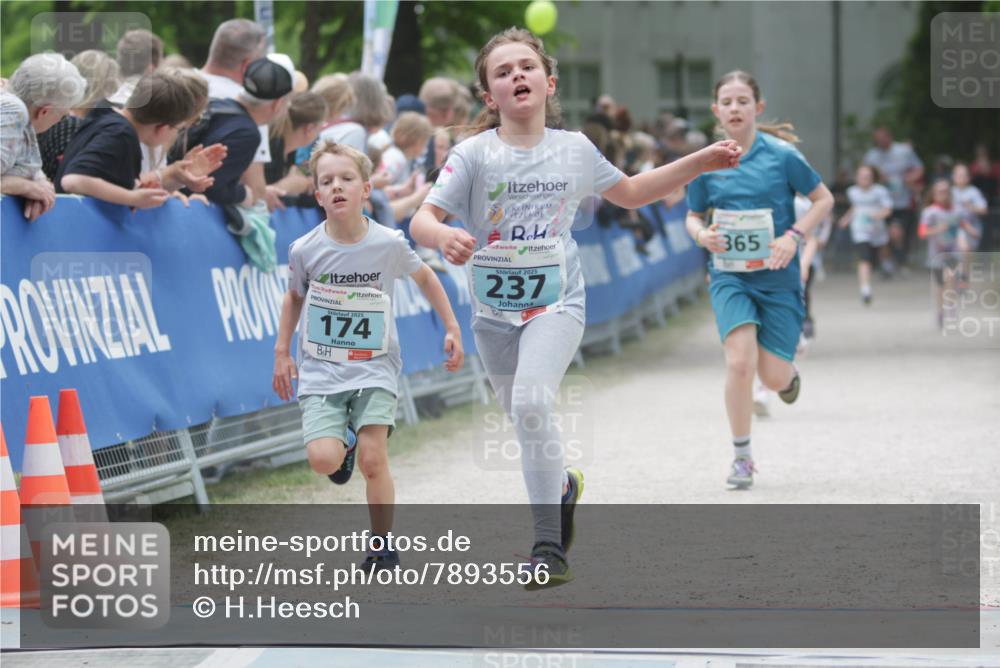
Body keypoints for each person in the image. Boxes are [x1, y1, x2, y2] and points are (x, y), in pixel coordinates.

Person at [410, 27, 740, 589]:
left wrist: (699, 162)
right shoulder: (472, 154)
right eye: (503, 71)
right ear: (488, 96)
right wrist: (442, 239)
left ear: (548, 81)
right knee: (524, 417)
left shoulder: (575, 149)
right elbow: (422, 218)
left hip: (557, 301)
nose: (517, 75)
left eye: (526, 67)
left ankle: (546, 546)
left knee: (534, 402)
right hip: (493, 312)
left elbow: (632, 193)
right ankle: (561, 487)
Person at [272, 141, 464, 571]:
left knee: (374, 460)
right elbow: (293, 297)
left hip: (375, 364)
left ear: (366, 189)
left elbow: (426, 277)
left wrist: (452, 327)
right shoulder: (305, 248)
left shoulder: (388, 242)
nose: (337, 187)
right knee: (323, 459)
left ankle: (382, 544)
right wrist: (282, 351)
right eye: (326, 181)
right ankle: (344, 442)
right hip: (322, 368)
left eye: (346, 179)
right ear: (317, 195)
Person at [684, 70, 834, 490]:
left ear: (758, 107)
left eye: (743, 101)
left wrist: (793, 236)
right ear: (716, 111)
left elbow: (824, 200)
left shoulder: (782, 155)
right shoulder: (707, 162)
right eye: (727, 102)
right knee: (738, 362)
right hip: (730, 276)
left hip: (778, 277)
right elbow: (693, 215)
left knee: (772, 378)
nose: (735, 108)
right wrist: (701, 235)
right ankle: (742, 457)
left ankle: (788, 378)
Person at [57, 71, 203, 208]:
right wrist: (133, 198)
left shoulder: (105, 114)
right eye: (178, 129)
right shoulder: (121, 134)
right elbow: (73, 180)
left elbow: (104, 174)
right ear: (162, 128)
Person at [1, 53, 86, 221]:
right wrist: (26, 187)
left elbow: (25, 160)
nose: (60, 121)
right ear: (44, 112)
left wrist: (39, 181)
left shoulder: (10, 108)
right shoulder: (14, 111)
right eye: (62, 115)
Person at [863, 126, 923, 273]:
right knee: (883, 236)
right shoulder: (872, 155)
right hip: (880, 202)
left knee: (896, 233)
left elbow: (919, 168)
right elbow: (864, 173)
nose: (880, 142)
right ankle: (888, 263)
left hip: (902, 202)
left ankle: (900, 259)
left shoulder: (904, 151)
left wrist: (909, 179)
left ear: (889, 137)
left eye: (882, 139)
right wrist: (876, 180)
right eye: (877, 140)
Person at [919, 179, 974, 329]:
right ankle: (940, 311)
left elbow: (961, 222)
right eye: (940, 192)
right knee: (940, 285)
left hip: (952, 250)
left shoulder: (957, 209)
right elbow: (922, 232)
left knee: (950, 277)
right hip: (936, 254)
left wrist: (970, 230)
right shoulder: (930, 212)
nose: (943, 195)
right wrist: (937, 229)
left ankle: (950, 306)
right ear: (934, 195)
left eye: (946, 191)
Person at [839, 164, 892, 305]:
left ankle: (886, 265)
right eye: (861, 177)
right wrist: (846, 218)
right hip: (860, 230)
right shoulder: (852, 192)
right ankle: (865, 289)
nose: (864, 179)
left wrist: (877, 215)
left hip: (877, 229)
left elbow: (887, 209)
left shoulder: (880, 191)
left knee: (882, 249)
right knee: (864, 258)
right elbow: (854, 208)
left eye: (867, 177)